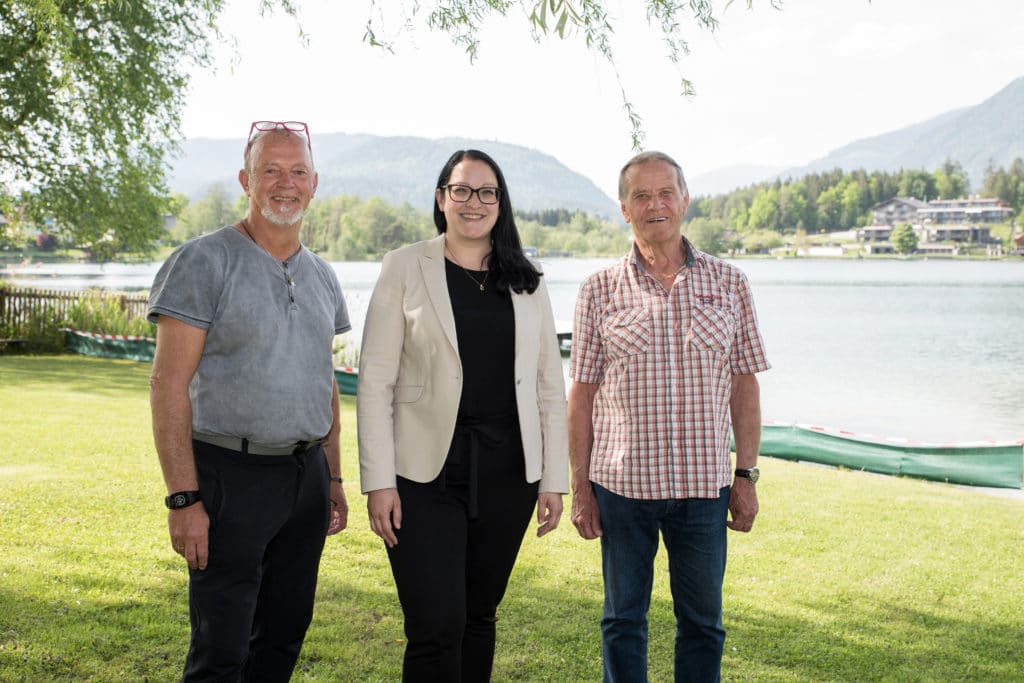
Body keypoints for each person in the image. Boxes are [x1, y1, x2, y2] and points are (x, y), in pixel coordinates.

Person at [148, 120, 350, 682]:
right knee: (221, 650)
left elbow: (323, 380)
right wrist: (183, 498)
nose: (285, 183)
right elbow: (166, 385)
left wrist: (332, 479)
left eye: (298, 171)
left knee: (283, 637)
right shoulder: (203, 262)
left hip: (304, 477)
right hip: (227, 476)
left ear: (315, 183)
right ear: (246, 179)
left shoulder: (323, 277)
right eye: (270, 170)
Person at [357, 149, 569, 682]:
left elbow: (548, 385)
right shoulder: (404, 266)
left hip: (508, 474)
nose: (474, 202)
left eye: (487, 192)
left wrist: (553, 480)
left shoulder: (528, 280)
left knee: (479, 616)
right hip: (422, 475)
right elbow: (376, 381)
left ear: (501, 203)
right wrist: (378, 482)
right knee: (435, 625)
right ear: (441, 198)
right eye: (462, 190)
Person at [568, 150, 771, 683]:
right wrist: (581, 487)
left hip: (704, 491)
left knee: (704, 624)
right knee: (622, 621)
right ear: (624, 209)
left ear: (684, 200)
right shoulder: (598, 289)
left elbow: (744, 386)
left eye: (665, 193)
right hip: (621, 488)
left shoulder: (730, 284)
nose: (655, 204)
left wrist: (745, 475)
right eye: (642, 196)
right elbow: (582, 395)